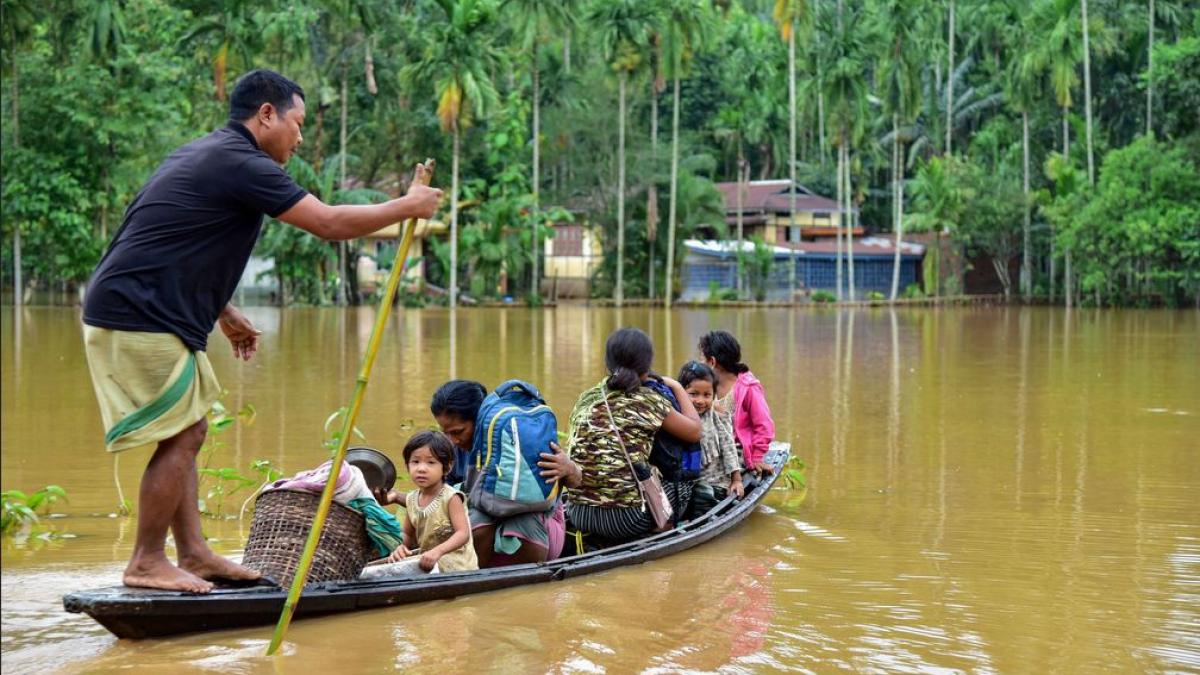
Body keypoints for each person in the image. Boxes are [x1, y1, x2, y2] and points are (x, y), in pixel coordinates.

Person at [80, 69, 443, 593]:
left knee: (189, 430)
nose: (299, 137)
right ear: (266, 114)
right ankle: (145, 561)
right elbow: (328, 223)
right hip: (138, 313)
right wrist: (409, 206)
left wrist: (225, 313)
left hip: (145, 306)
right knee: (183, 434)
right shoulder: (242, 161)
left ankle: (194, 553)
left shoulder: (207, 154)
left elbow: (171, 242)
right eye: (296, 123)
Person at [564, 328, 702, 543]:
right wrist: (676, 386)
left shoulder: (587, 397)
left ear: (607, 364)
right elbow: (694, 431)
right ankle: (661, 528)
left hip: (579, 513)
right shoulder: (648, 399)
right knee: (686, 483)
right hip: (626, 520)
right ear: (647, 367)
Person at [430, 380, 582, 566]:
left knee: (522, 523)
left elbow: (577, 482)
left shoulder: (520, 438)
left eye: (458, 432)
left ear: (480, 419)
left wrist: (569, 468)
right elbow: (434, 501)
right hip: (480, 540)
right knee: (477, 520)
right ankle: (477, 577)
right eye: (445, 433)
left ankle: (523, 581)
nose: (452, 440)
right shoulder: (451, 453)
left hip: (537, 534)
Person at [385, 431, 478, 572]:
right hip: (429, 565)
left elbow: (462, 534)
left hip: (458, 567)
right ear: (407, 465)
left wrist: (437, 552)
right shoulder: (411, 499)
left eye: (431, 462)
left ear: (447, 467)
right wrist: (400, 548)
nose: (421, 469)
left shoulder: (451, 497)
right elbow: (408, 534)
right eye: (415, 462)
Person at [699, 331, 776, 477]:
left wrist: (757, 457)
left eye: (702, 358)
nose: (699, 363)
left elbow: (764, 425)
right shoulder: (705, 385)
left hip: (736, 451)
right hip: (712, 446)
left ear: (712, 362)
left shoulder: (748, 387)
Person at [677, 361, 744, 517]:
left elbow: (728, 447)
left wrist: (736, 480)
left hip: (715, 483)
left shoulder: (717, 417)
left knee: (702, 493)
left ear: (713, 395)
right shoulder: (677, 417)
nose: (700, 401)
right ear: (681, 393)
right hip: (686, 483)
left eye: (707, 395)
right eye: (694, 394)